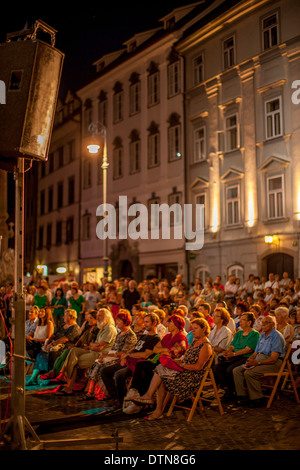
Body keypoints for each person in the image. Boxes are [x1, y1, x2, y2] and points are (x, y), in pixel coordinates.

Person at [133, 318, 213, 420]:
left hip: (190, 378)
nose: (193, 331)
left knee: (159, 370)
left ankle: (151, 399)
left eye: (196, 329)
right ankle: (155, 406)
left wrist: (182, 364)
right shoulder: (194, 342)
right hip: (184, 371)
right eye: (192, 329)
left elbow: (198, 367)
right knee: (160, 369)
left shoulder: (206, 346)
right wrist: (177, 360)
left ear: (204, 329)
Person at [100, 312, 161, 410]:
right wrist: (125, 356)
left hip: (139, 364)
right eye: (144, 322)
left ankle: (121, 401)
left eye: (147, 322)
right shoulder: (144, 336)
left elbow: (145, 354)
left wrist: (128, 355)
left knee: (118, 375)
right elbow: (135, 349)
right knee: (104, 371)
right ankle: (117, 397)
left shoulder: (155, 338)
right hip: (130, 360)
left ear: (154, 323)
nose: (144, 324)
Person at [55, 308, 117, 395]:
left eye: (100, 316)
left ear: (106, 317)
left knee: (74, 362)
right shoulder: (103, 327)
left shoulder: (109, 328)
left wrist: (93, 345)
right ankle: (64, 374)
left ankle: (68, 384)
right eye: (97, 316)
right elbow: (94, 344)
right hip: (92, 351)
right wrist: (93, 345)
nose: (98, 318)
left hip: (100, 355)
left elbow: (99, 348)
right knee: (74, 350)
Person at [80, 310, 137, 400]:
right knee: (96, 363)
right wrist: (104, 356)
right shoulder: (119, 334)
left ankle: (107, 393)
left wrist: (106, 356)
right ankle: (91, 391)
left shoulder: (130, 335)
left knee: (101, 367)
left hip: (121, 359)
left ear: (125, 321)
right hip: (113, 356)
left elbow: (123, 353)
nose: (116, 323)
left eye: (118, 320)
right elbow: (113, 348)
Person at [233, 315, 286, 407]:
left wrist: (257, 363)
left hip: (273, 363)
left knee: (249, 373)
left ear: (273, 325)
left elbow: (273, 359)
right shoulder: (262, 336)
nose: (263, 325)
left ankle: (258, 399)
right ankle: (242, 397)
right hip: (259, 359)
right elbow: (255, 353)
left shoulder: (276, 336)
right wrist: (250, 359)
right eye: (262, 323)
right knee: (236, 371)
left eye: (266, 323)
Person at [213, 313, 260, 402]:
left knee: (229, 370)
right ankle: (228, 389)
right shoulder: (239, 333)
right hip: (235, 357)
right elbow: (232, 345)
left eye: (243, 320)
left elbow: (248, 350)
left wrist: (233, 354)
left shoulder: (254, 334)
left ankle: (232, 391)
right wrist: (229, 350)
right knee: (217, 368)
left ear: (249, 322)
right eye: (240, 319)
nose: (240, 321)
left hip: (245, 357)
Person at [26, 309, 81, 385]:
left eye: (65, 316)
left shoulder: (75, 328)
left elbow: (65, 339)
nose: (63, 317)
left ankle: (50, 376)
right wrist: (47, 343)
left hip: (65, 347)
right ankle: (34, 377)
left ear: (71, 317)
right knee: (41, 354)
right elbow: (53, 335)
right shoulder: (62, 325)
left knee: (52, 353)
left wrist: (52, 344)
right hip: (54, 345)